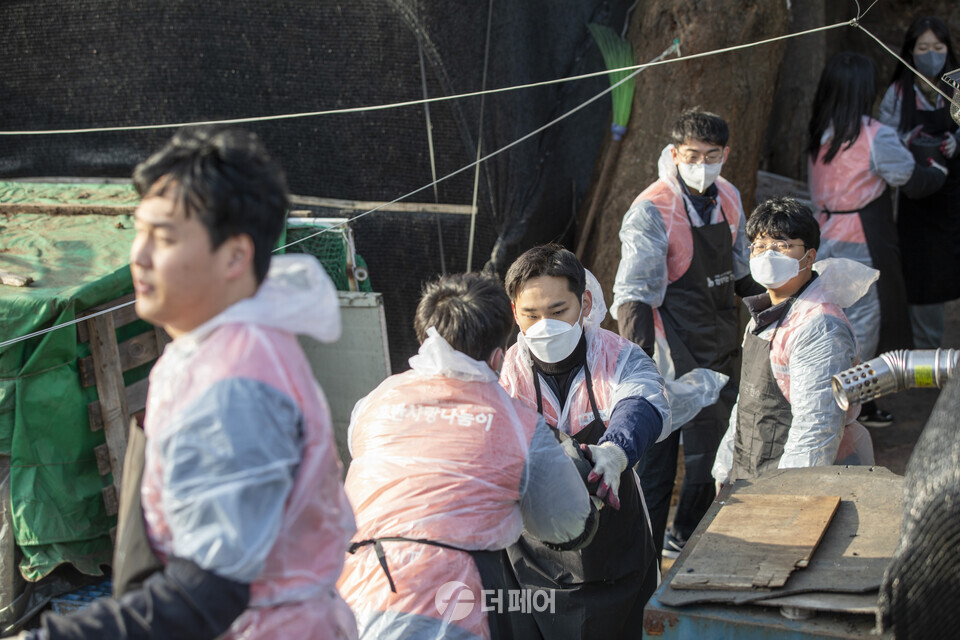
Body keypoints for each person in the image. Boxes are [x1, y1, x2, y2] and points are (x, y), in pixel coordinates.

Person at [19, 127, 358, 639]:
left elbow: (211, 589)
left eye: (166, 237)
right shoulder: (222, 348)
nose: (139, 256)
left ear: (235, 257)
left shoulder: (236, 383)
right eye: (139, 231)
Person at [338, 272, 598, 640]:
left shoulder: (374, 402)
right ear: (497, 358)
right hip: (446, 606)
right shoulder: (517, 423)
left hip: (351, 594)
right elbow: (570, 523)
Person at [610, 108, 763, 560]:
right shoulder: (652, 209)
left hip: (718, 343)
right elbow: (633, 294)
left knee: (713, 458)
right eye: (692, 155)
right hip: (667, 352)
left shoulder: (730, 197)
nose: (701, 164)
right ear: (674, 153)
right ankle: (643, 563)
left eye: (711, 155)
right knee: (656, 467)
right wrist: (638, 368)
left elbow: (742, 272)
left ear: (725, 155)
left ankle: (686, 536)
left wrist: (779, 313)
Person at [499, 244, 671, 639]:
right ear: (514, 313)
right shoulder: (502, 373)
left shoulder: (619, 356)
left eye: (558, 311)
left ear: (585, 302)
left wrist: (613, 450)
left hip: (615, 546)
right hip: (531, 554)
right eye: (531, 314)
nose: (545, 324)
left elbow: (643, 402)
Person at [808, 51, 947, 427]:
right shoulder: (874, 135)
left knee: (828, 321)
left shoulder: (819, 131)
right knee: (864, 326)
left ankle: (847, 403)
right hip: (862, 239)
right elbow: (911, 179)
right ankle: (849, 406)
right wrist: (939, 166)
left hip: (822, 237)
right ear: (865, 91)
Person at [712, 197, 876, 488]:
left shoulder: (820, 326)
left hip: (789, 483)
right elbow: (747, 402)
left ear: (809, 256)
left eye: (782, 246)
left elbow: (816, 428)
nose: (767, 255)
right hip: (750, 472)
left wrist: (787, 496)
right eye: (760, 246)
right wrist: (725, 469)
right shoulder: (763, 314)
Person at [878, 15, 960, 350]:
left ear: (948, 49)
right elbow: (883, 135)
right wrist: (905, 140)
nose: (930, 54)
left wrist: (958, 140)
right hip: (916, 195)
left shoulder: (957, 85)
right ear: (910, 52)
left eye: (937, 47)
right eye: (922, 47)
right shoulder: (898, 92)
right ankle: (926, 352)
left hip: (955, 195)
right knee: (922, 271)